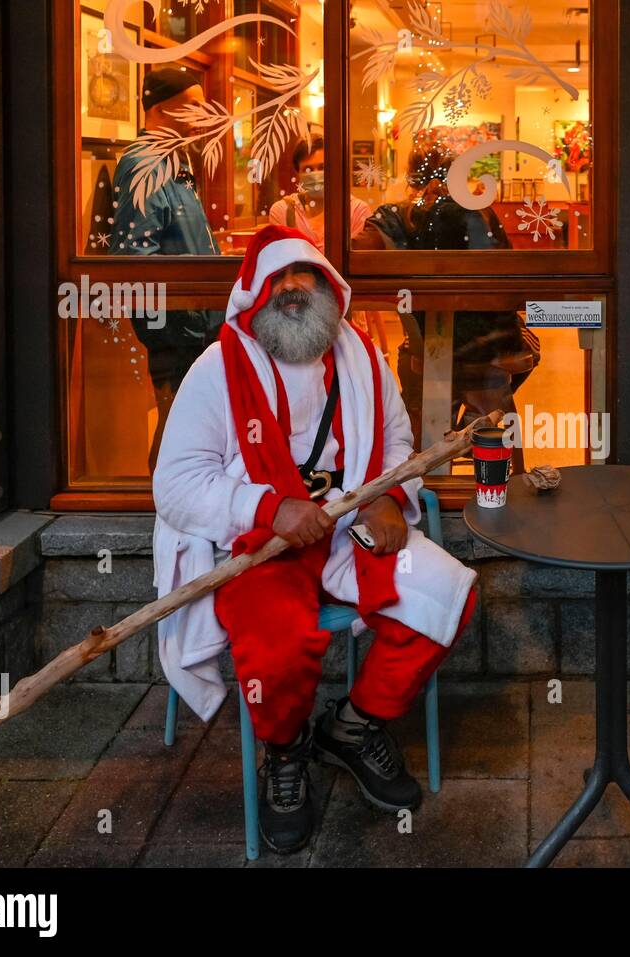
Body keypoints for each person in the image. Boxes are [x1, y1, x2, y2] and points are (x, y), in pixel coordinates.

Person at [151, 225, 479, 855]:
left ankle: (352, 727)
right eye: (280, 279)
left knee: (448, 597)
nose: (295, 288)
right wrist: (269, 507)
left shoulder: (360, 355)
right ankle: (285, 750)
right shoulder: (216, 369)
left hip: (348, 528)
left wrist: (387, 496)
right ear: (255, 292)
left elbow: (397, 442)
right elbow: (176, 484)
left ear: (332, 289)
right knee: (275, 647)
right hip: (255, 545)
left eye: (308, 276)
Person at [366, 135, 540, 469]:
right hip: (487, 350)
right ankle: (478, 425)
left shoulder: (399, 216)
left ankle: (450, 432)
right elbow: (509, 276)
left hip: (424, 349)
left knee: (413, 363)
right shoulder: (480, 212)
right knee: (527, 350)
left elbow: (359, 249)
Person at [111, 68, 223, 472]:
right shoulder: (146, 162)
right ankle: (159, 515)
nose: (201, 116)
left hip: (195, 321)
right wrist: (183, 318)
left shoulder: (174, 159)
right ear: (160, 110)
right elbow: (134, 254)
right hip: (178, 327)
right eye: (192, 107)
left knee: (190, 427)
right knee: (179, 426)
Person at [268, 134, 375, 249]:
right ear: (298, 174)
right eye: (308, 169)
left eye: (323, 167)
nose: (315, 175)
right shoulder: (283, 211)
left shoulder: (357, 211)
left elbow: (355, 263)